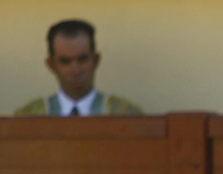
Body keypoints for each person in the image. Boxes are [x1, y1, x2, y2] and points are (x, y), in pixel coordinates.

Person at [16, 20, 144, 117]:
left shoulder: (126, 115)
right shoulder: (28, 117)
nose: (75, 70)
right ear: (51, 65)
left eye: (82, 59)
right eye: (65, 61)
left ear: (96, 60)